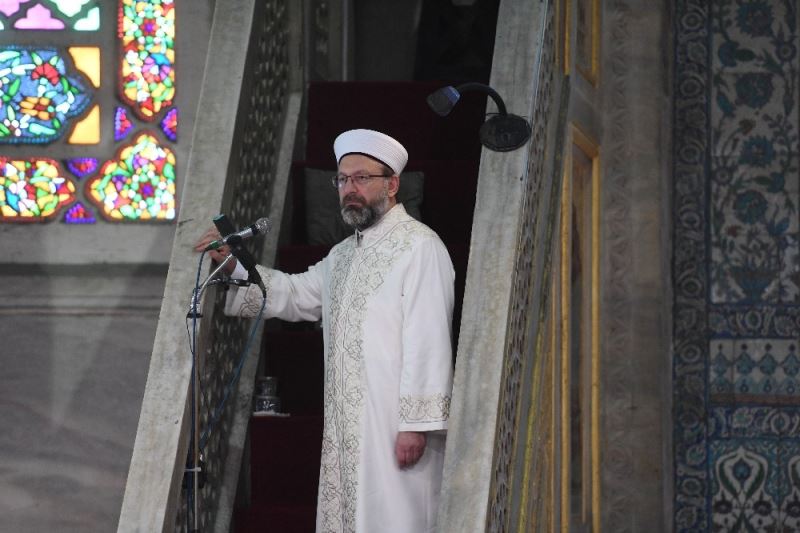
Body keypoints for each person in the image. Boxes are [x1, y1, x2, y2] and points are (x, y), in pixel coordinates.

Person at [195, 129, 455, 532]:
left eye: (362, 178)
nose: (350, 189)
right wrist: (234, 264)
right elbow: (295, 294)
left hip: (394, 424)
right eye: (342, 179)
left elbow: (429, 337)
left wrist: (415, 426)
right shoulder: (343, 254)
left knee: (397, 518)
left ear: (392, 184)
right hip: (348, 423)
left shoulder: (421, 247)